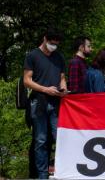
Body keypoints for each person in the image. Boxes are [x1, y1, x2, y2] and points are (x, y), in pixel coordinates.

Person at [23, 28, 67, 180]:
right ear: (44, 39)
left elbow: (62, 78)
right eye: (51, 43)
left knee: (60, 138)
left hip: (56, 103)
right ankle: (42, 175)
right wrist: (45, 89)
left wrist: (64, 90)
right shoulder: (32, 56)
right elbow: (27, 81)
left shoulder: (59, 57)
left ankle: (62, 171)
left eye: (56, 44)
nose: (53, 46)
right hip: (38, 102)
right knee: (40, 140)